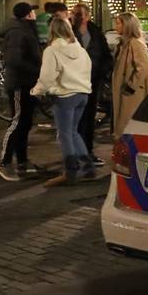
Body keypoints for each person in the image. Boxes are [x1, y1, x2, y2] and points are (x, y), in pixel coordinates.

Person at [31, 17, 95, 186]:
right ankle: (88, 167)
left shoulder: (52, 51)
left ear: (52, 30)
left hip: (64, 97)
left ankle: (70, 171)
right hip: (82, 94)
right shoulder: (80, 50)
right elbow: (88, 68)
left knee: (65, 134)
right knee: (74, 132)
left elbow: (46, 77)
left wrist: (36, 91)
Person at [0, 2, 50, 181]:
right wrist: (37, 70)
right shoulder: (18, 32)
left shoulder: (26, 29)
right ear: (28, 15)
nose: (35, 13)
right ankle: (5, 163)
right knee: (17, 122)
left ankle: (22, 162)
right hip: (20, 83)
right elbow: (14, 60)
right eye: (33, 11)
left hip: (28, 83)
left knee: (25, 124)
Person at [71, 4, 111, 163]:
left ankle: (87, 151)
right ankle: (74, 153)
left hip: (92, 82)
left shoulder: (96, 33)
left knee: (88, 118)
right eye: (74, 14)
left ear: (87, 16)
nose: (76, 17)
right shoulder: (69, 33)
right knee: (74, 119)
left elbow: (106, 55)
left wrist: (101, 73)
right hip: (74, 82)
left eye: (79, 14)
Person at [112, 12, 148, 138]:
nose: (116, 26)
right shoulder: (124, 44)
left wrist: (131, 85)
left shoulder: (135, 44)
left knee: (128, 127)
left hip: (131, 94)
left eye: (119, 23)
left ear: (127, 25)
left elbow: (143, 66)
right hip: (126, 91)